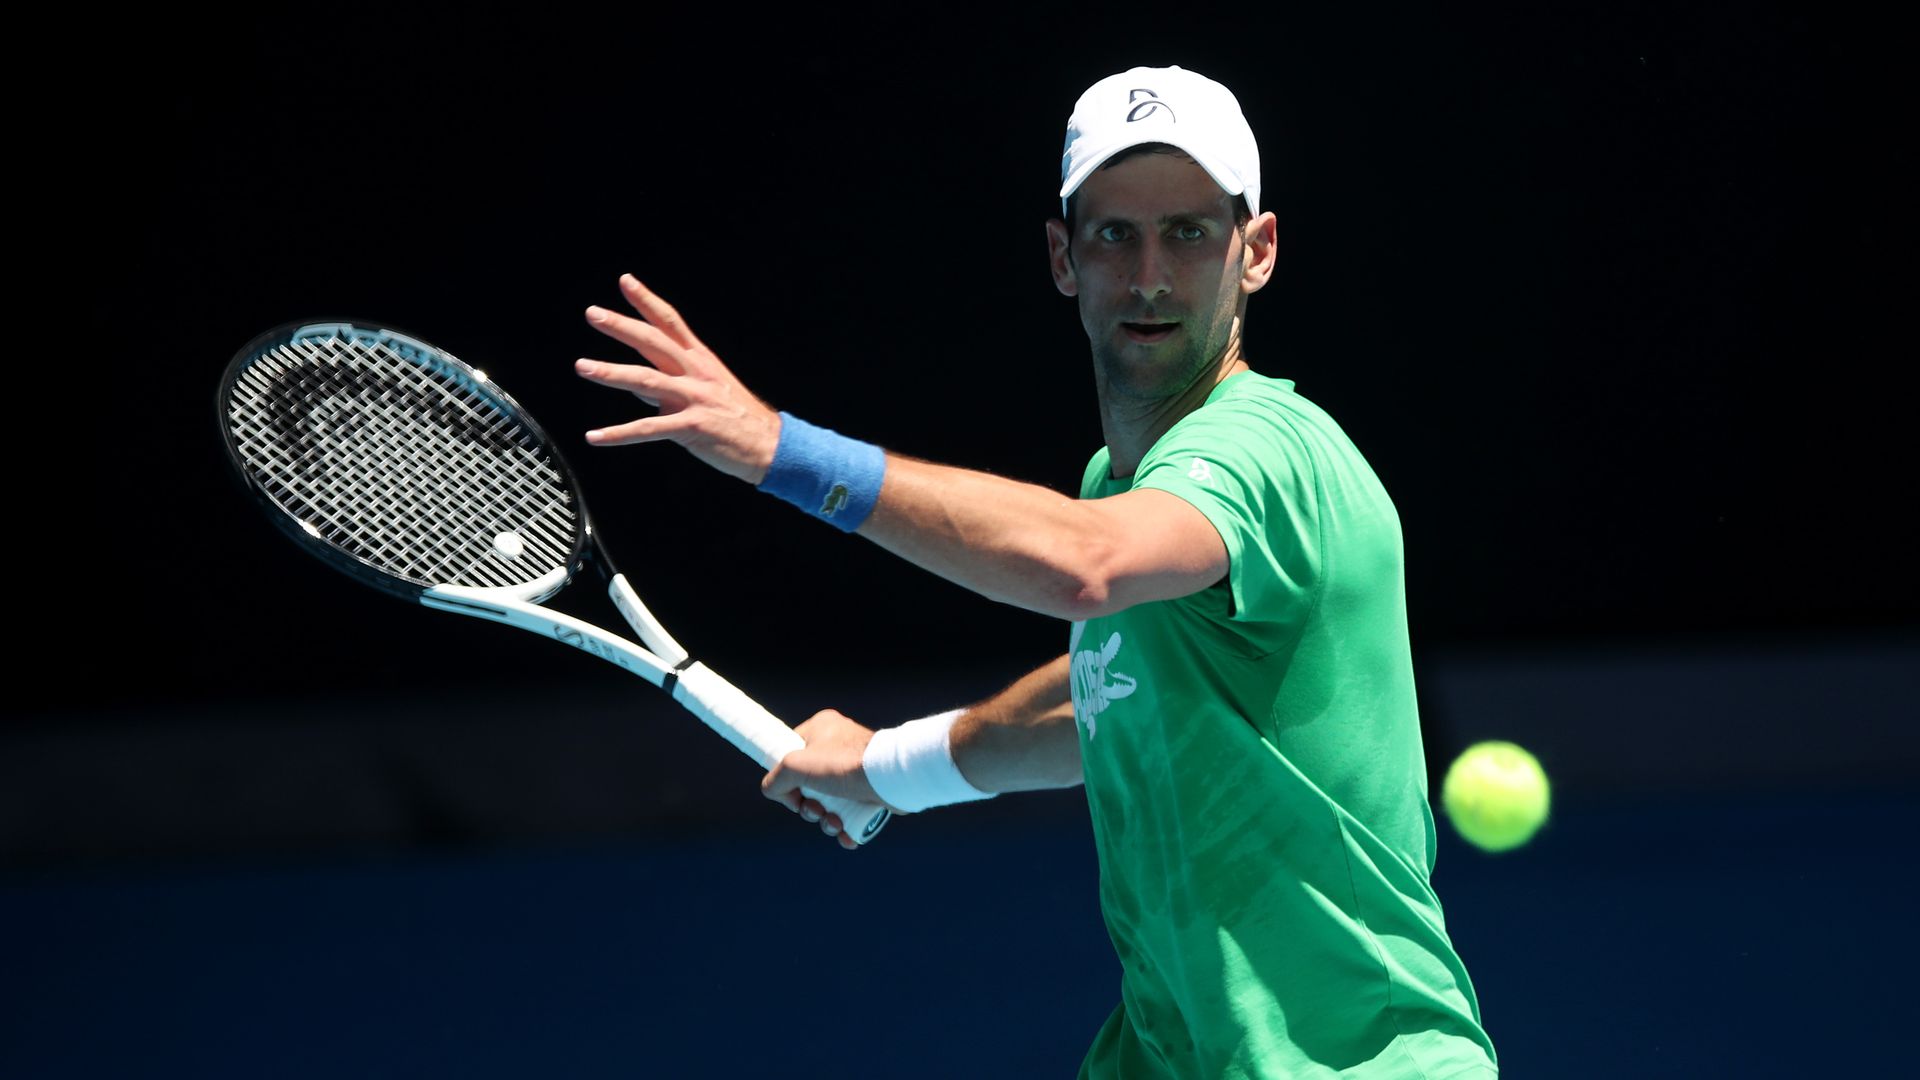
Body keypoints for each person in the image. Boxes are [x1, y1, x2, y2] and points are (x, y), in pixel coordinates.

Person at [574, 65, 1497, 1079]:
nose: (1150, 275)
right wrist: (885, 767)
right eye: (1115, 234)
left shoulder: (1268, 451)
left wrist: (780, 451)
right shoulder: (1119, 481)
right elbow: (1113, 693)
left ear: (1258, 252)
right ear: (1064, 256)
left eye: (1189, 232)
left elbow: (1084, 571)